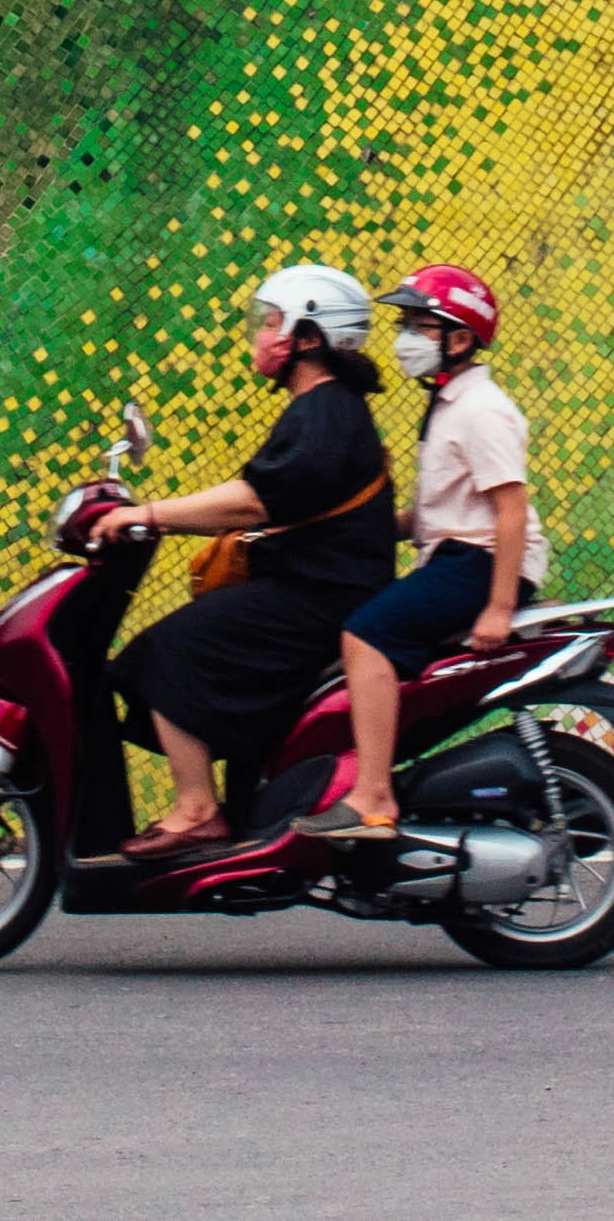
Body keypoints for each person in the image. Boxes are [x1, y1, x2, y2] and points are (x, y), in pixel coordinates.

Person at [87, 263, 400, 861]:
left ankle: (198, 811)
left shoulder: (325, 411)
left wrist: (147, 515)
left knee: (167, 649)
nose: (262, 335)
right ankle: (243, 804)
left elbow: (254, 499)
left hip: (320, 600)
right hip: (316, 590)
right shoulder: (325, 408)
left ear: (310, 337)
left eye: (275, 322)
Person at [295, 263, 546, 839]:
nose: (405, 337)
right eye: (405, 322)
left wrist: (499, 608)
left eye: (420, 325)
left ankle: (373, 799)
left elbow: (510, 510)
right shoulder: (449, 404)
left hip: (478, 564)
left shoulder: (483, 410)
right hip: (457, 554)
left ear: (460, 340)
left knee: (365, 635)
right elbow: (435, 515)